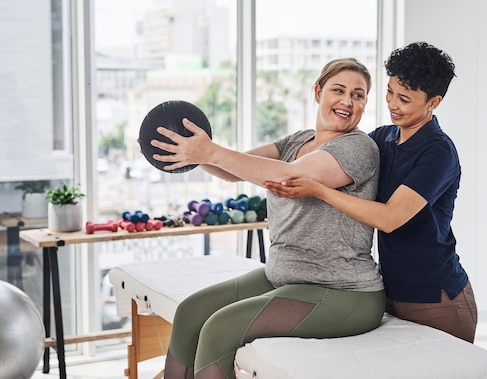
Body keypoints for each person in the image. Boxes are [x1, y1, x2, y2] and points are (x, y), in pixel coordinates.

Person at [149, 58, 385, 379]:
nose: (347, 101)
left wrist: (209, 151)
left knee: (220, 328)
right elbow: (233, 170)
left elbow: (290, 177)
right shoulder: (297, 141)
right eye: (338, 90)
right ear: (318, 92)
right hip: (285, 275)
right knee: (191, 312)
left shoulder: (359, 147)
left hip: (344, 292)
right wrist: (184, 152)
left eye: (358, 95)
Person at [265, 42, 478, 344]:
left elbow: (391, 218)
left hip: (438, 300)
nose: (392, 104)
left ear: (434, 102)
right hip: (391, 292)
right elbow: (337, 155)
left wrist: (320, 190)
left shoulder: (439, 152)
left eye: (404, 99)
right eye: (390, 92)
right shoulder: (383, 137)